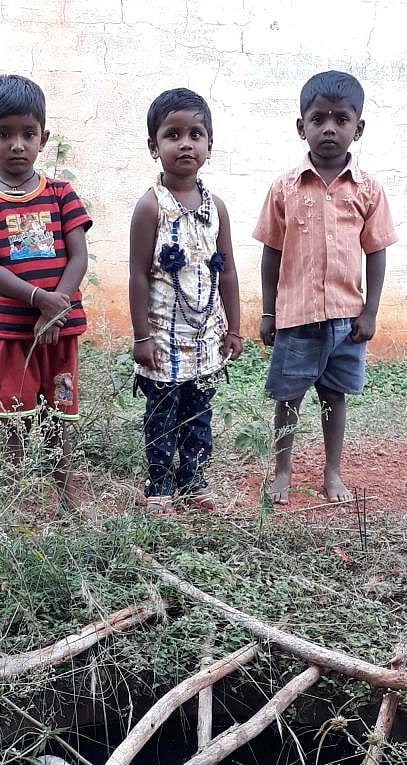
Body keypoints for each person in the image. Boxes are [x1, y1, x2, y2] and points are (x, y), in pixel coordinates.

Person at [253, 70, 397, 504]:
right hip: (296, 318)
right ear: (302, 127)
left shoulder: (368, 188)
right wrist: (267, 311)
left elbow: (376, 251)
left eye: (341, 119)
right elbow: (271, 252)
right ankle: (282, 470)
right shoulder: (285, 186)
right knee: (289, 398)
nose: (329, 128)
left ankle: (332, 472)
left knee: (335, 398)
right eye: (318, 119)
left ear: (359, 127)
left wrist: (369, 311)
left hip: (346, 320)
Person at [0, 74, 92, 511]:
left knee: (58, 414)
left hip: (60, 330)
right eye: (4, 133)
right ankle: (17, 497)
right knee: (14, 417)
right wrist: (41, 301)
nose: (17, 144)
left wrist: (57, 310)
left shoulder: (61, 194)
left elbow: (77, 258)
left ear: (44, 138)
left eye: (28, 134)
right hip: (12, 332)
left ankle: (63, 490)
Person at [129, 87, 242, 515]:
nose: (185, 143)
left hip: (206, 336)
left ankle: (194, 481)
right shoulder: (149, 208)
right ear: (154, 146)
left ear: (209, 145)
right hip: (162, 337)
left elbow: (226, 270)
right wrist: (142, 336)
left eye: (196, 134)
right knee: (161, 414)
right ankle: (158, 484)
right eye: (172, 134)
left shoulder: (218, 209)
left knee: (198, 414)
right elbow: (138, 275)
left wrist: (233, 328)